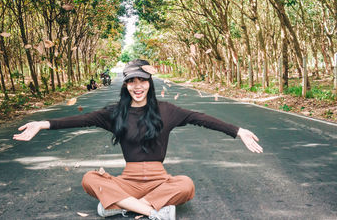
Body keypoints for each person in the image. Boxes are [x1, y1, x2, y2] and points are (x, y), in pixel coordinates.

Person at [13, 59, 263, 220]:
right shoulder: (114, 114)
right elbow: (81, 120)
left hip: (159, 180)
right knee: (89, 178)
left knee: (186, 185)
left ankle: (120, 206)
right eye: (131, 81)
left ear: (149, 83)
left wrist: (237, 130)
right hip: (128, 181)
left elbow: (200, 118)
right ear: (126, 86)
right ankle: (151, 211)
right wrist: (41, 123)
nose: (137, 85)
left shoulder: (167, 111)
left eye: (141, 80)